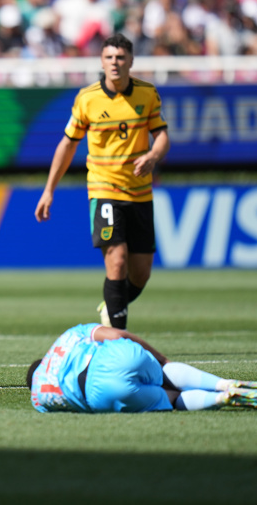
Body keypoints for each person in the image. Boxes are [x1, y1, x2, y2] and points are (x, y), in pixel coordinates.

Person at [34, 33, 170, 330]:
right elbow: (68, 144)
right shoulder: (87, 98)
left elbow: (161, 135)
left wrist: (153, 156)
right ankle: (118, 340)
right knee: (117, 261)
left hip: (140, 193)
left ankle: (112, 304)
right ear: (101, 61)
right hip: (104, 189)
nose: (115, 63)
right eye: (109, 57)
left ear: (131, 61)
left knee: (141, 273)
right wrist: (49, 190)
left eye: (121, 57)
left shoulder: (147, 94)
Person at [27, 323, 257, 413]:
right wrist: (160, 358)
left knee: (172, 399)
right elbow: (117, 334)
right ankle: (225, 383)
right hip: (117, 356)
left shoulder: (38, 397)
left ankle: (222, 398)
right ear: (44, 358)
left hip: (100, 394)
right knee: (162, 372)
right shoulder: (66, 338)